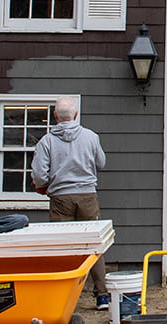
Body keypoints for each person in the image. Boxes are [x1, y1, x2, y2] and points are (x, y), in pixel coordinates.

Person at [32, 97, 110, 310]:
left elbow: (39, 174)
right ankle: (102, 295)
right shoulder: (91, 137)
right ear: (75, 115)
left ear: (56, 116)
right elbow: (101, 163)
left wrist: (45, 185)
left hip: (60, 198)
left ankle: (64, 298)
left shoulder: (47, 141)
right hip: (87, 196)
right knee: (94, 245)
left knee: (63, 246)